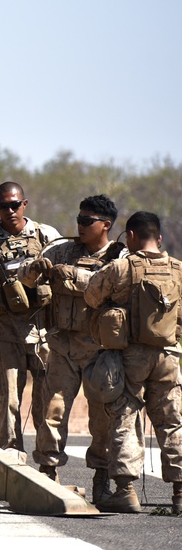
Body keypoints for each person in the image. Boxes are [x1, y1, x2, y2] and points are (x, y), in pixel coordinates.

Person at [18, 195, 124, 501]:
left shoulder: (120, 255)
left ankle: (101, 478)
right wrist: (33, 267)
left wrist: (75, 278)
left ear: (106, 225)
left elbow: (118, 285)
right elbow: (24, 276)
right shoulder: (63, 248)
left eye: (87, 221)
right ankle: (47, 474)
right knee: (53, 410)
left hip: (100, 350)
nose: (80, 225)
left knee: (101, 418)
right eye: (79, 219)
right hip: (62, 346)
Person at [84, 211, 182, 514]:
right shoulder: (178, 269)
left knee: (126, 418)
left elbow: (91, 296)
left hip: (130, 356)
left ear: (130, 237)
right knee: (172, 421)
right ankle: (180, 493)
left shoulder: (122, 267)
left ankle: (125, 490)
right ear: (160, 238)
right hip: (169, 354)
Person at [0, 181, 61, 452]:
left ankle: (48, 467)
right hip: (6, 335)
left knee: (48, 401)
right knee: (8, 402)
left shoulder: (47, 237)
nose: (10, 210)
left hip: (45, 335)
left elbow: (67, 284)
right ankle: (10, 466)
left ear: (24, 204)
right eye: (3, 206)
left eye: (15, 204)